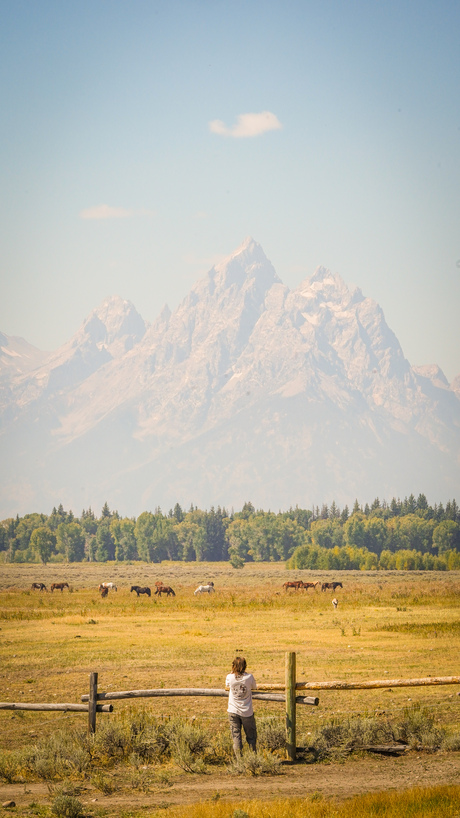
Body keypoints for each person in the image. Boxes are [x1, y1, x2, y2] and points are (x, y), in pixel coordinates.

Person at [225, 655, 257, 756]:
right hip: (246, 711)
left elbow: (227, 685)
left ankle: (239, 759)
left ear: (233, 666)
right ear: (245, 666)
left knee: (236, 736)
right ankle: (253, 757)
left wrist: (232, 673)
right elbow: (254, 687)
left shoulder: (230, 677)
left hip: (233, 710)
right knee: (251, 736)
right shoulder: (249, 677)